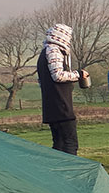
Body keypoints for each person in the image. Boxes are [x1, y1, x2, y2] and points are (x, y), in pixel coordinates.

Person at [37, 24, 88, 155]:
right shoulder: (54, 51)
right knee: (70, 143)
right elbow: (58, 75)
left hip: (51, 106)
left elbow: (42, 81)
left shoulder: (44, 52)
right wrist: (78, 75)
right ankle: (70, 171)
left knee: (58, 143)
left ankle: (57, 172)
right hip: (61, 106)